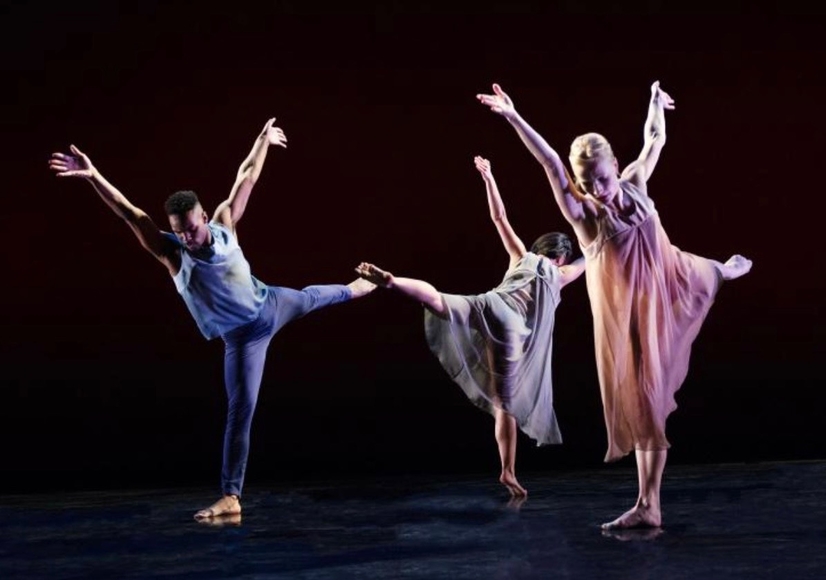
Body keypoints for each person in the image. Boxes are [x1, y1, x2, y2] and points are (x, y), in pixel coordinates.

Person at [48, 118, 376, 520]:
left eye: (190, 229)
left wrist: (262, 142)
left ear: (203, 216)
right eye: (179, 232)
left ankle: (358, 288)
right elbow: (130, 214)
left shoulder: (224, 224)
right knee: (242, 409)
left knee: (310, 297)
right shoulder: (173, 255)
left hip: (269, 303)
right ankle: (231, 497)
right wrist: (93, 175)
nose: (186, 238)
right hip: (243, 339)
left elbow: (247, 176)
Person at [477, 81, 752, 529]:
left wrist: (654, 102)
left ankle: (720, 270)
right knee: (646, 399)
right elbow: (549, 161)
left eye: (602, 179)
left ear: (616, 167)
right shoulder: (584, 215)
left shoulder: (636, 181)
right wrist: (512, 116)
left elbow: (654, 139)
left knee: (703, 276)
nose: (598, 189)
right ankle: (649, 503)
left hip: (670, 278)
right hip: (630, 312)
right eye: (587, 183)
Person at [355, 155, 585, 497]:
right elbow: (592, 257)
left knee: (437, 300)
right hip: (511, 327)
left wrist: (489, 178)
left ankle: (391, 281)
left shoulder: (521, 256)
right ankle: (507, 471)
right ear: (559, 258)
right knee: (503, 405)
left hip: (487, 304)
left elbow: (499, 216)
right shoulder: (561, 273)